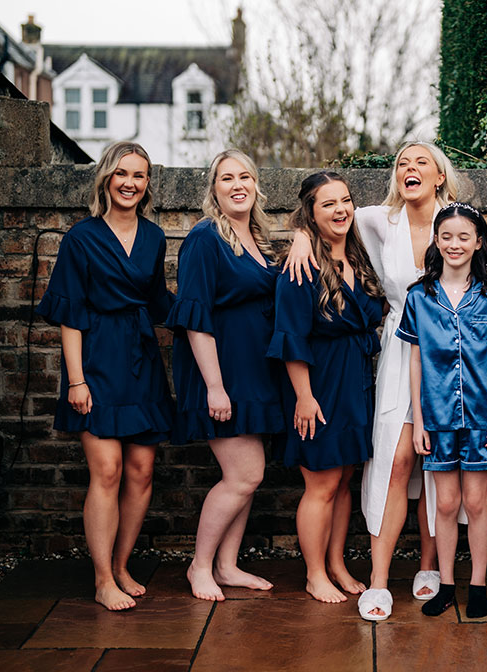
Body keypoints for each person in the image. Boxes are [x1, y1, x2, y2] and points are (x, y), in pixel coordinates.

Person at [286, 142, 487, 620]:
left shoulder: (457, 224)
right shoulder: (379, 220)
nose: (410, 169)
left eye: (420, 163)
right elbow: (329, 215)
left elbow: (485, 279)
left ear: (439, 175)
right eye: (403, 163)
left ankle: (432, 568)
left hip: (455, 361)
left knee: (437, 463)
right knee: (395, 458)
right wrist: (301, 236)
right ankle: (379, 579)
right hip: (400, 350)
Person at [36, 141, 173, 611]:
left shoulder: (154, 237)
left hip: (141, 361)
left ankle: (120, 565)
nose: (130, 183)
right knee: (108, 470)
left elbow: (159, 302)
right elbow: (69, 315)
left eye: (139, 175)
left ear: (147, 184)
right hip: (97, 360)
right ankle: (101, 579)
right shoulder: (81, 238)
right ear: (106, 179)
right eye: (122, 173)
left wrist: (213, 312)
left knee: (141, 471)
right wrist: (76, 381)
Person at [167, 149, 284, 602]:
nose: (238, 185)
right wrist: (215, 387)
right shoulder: (205, 238)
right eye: (227, 178)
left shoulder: (256, 237)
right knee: (244, 474)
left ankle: (228, 565)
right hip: (221, 373)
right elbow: (195, 318)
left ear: (256, 185)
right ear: (213, 190)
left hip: (254, 371)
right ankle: (200, 566)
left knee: (249, 476)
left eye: (245, 177)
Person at [268, 171, 385, 604]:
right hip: (318, 384)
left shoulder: (360, 255)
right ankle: (314, 573)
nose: (341, 210)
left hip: (355, 381)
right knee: (321, 483)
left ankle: (336, 563)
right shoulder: (301, 266)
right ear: (311, 213)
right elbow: (290, 336)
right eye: (328, 204)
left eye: (346, 200)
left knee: (345, 477)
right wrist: (304, 396)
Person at [396, 202, 487, 620]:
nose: (454, 244)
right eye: (446, 236)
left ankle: (478, 586)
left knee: (476, 503)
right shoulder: (419, 297)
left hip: (482, 416)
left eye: (464, 236)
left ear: (479, 242)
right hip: (438, 416)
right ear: (436, 240)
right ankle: (446, 586)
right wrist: (418, 421)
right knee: (445, 504)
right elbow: (415, 360)